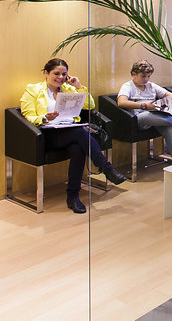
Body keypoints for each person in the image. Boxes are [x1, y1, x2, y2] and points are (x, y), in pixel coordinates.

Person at [20, 58, 127, 214]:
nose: (60, 77)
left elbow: (90, 106)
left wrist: (78, 86)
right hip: (48, 134)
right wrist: (44, 118)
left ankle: (73, 197)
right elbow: (28, 115)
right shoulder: (33, 90)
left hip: (71, 131)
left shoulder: (68, 89)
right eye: (56, 73)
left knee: (77, 149)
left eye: (64, 74)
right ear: (46, 73)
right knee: (80, 133)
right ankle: (106, 168)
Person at [117, 59, 172, 165]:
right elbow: (121, 102)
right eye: (143, 76)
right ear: (134, 74)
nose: (146, 79)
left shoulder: (151, 86)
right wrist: (144, 106)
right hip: (140, 118)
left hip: (157, 117)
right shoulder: (128, 86)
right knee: (147, 115)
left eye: (148, 76)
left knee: (170, 131)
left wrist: (164, 101)